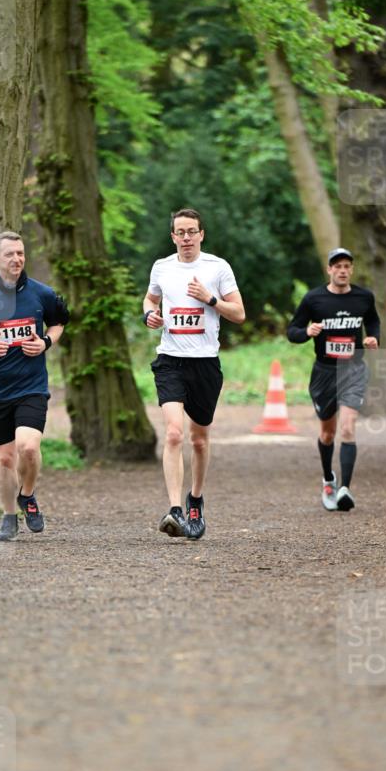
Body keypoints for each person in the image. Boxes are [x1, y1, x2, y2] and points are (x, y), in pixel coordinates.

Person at [0, 231, 69, 541]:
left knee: (28, 447)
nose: (17, 259)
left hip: (31, 387)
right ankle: (8, 516)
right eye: (10, 254)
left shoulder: (42, 294)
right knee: (4, 457)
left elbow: (59, 322)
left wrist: (45, 342)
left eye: (20, 253)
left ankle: (27, 496)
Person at [143, 208, 245, 539]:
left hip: (205, 363)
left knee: (199, 440)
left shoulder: (218, 268)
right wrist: (149, 315)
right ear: (172, 236)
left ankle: (195, 499)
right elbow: (149, 299)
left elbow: (239, 314)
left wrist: (210, 298)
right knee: (173, 433)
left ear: (201, 234)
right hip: (170, 360)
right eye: (180, 232)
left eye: (192, 232)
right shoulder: (162, 267)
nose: (186, 238)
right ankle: (175, 510)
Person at [287, 247, 380, 512]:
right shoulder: (314, 299)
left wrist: (374, 338)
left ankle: (345, 490)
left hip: (353, 370)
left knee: (348, 428)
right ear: (329, 270)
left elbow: (373, 321)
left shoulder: (364, 297)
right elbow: (292, 331)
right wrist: (307, 331)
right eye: (337, 266)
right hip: (324, 373)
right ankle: (329, 479)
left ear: (351, 269)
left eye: (346, 266)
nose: (342, 270)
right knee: (327, 433)